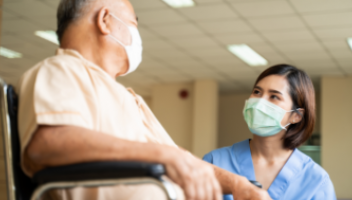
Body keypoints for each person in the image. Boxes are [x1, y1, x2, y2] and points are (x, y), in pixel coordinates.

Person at [17, 0, 272, 199]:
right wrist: (164, 157)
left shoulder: (127, 98)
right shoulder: (60, 69)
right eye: (133, 24)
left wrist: (238, 184)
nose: (136, 36)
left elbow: (178, 157)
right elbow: (47, 143)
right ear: (105, 20)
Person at [203, 64, 336, 200]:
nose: (260, 103)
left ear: (296, 116)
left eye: (274, 97)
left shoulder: (316, 181)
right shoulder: (215, 161)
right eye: (257, 92)